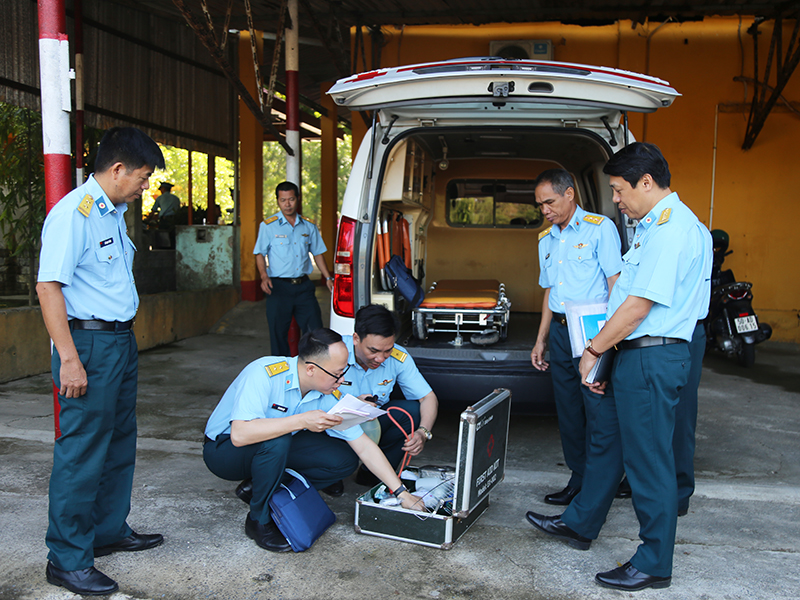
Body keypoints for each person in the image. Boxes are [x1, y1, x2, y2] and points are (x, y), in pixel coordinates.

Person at [525, 143, 712, 591]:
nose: (615, 199)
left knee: (649, 463)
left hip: (651, 354)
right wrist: (608, 357)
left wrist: (593, 351)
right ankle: (581, 523)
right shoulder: (652, 227)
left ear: (646, 182)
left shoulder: (672, 229)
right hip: (631, 352)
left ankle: (653, 562)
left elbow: (637, 306)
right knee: (609, 441)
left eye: (619, 189)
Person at [36, 127, 166, 596]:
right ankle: (67, 559)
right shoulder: (74, 214)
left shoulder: (114, 213)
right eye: (143, 176)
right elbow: (48, 287)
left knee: (118, 440)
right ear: (117, 169)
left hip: (118, 342)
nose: (145, 186)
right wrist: (69, 359)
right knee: (82, 450)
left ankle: (108, 530)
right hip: (87, 346)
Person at [203, 328, 424, 552]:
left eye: (344, 371)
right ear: (311, 369)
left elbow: (364, 446)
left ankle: (262, 487)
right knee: (278, 440)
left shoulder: (326, 393)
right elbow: (240, 435)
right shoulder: (263, 374)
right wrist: (301, 421)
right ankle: (258, 520)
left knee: (342, 460)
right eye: (337, 374)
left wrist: (401, 493)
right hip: (224, 451)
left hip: (271, 448)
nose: (342, 380)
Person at [530, 169, 624, 506]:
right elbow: (550, 291)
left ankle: (603, 481)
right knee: (568, 409)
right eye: (540, 205)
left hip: (591, 331)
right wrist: (541, 338)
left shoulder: (600, 229)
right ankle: (579, 477)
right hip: (559, 329)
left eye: (550, 202)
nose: (545, 210)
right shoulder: (546, 239)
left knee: (597, 408)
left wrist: (610, 340)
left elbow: (616, 284)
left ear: (569, 194)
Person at [336, 304, 439, 488]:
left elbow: (428, 398)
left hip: (372, 423)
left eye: (387, 350)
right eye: (373, 351)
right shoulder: (334, 352)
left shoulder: (398, 357)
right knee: (339, 462)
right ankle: (330, 476)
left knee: (412, 412)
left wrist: (423, 433)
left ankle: (374, 474)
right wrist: (351, 405)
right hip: (335, 423)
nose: (381, 358)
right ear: (356, 338)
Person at [254, 181, 335, 356]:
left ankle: (313, 366)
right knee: (278, 334)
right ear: (278, 201)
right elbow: (259, 253)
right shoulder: (268, 226)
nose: (287, 204)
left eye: (291, 199)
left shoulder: (308, 226)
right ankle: (282, 369)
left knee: (315, 331)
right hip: (278, 287)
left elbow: (318, 253)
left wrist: (328, 277)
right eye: (283, 200)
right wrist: (263, 276)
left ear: (298, 199)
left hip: (303, 287)